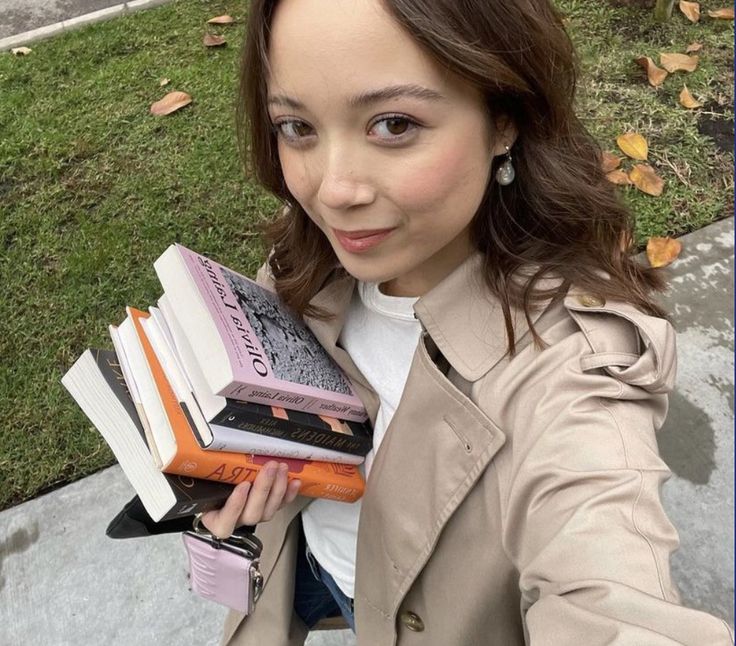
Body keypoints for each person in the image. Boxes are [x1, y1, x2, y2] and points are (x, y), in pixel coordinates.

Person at [200, 0, 735, 644]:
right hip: (313, 566)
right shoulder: (311, 256)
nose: (333, 190)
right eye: (297, 127)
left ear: (503, 120)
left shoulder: (573, 366)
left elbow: (612, 599)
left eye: (393, 124)